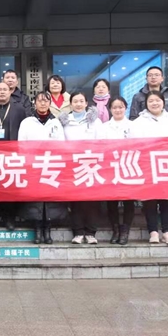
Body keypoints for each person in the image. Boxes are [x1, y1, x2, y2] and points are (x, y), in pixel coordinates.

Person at [131, 91, 168, 245]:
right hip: (148, 166)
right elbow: (133, 143)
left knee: (167, 200)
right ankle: (153, 232)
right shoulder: (138, 122)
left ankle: (167, 232)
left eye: (157, 100)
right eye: (151, 101)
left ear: (163, 102)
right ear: (146, 104)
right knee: (150, 201)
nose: (154, 103)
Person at [18, 91, 67, 242]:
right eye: (40, 100)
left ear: (50, 103)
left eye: (46, 100)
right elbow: (21, 144)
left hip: (51, 165)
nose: (43, 103)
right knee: (35, 198)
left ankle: (48, 229)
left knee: (50, 199)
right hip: (33, 165)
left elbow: (61, 144)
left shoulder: (56, 122)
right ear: (34, 103)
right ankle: (37, 229)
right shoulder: (27, 122)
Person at [59, 92, 103, 244]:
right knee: (75, 200)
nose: (78, 104)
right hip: (72, 165)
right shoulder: (64, 122)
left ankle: (91, 232)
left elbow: (101, 141)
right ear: (70, 104)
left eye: (81, 101)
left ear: (86, 103)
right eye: (75, 101)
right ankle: (77, 232)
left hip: (92, 164)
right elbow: (61, 142)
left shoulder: (95, 121)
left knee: (92, 200)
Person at [0, 81, 29, 229]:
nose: (2, 92)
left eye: (5, 89)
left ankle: (10, 218)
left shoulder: (19, 109)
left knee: (10, 186)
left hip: (12, 154)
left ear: (10, 92)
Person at [101, 96, 135, 244]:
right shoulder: (104, 127)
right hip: (110, 167)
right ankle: (115, 230)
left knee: (128, 200)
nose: (118, 110)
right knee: (112, 201)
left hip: (129, 166)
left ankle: (125, 230)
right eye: (114, 107)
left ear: (125, 108)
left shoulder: (133, 126)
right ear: (110, 109)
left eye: (120, 107)